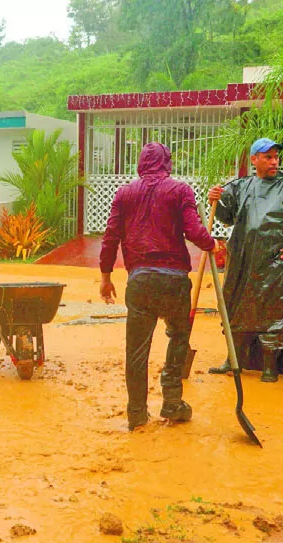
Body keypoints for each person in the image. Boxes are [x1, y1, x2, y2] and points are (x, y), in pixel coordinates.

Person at [99, 142, 216, 432]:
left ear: (141, 163)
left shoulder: (124, 194)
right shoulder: (180, 190)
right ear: (167, 163)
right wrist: (213, 244)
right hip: (174, 280)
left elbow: (110, 237)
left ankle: (137, 414)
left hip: (140, 282)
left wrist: (105, 276)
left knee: (136, 351)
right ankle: (172, 402)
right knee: (178, 336)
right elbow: (194, 231)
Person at [208, 138, 283, 382]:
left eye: (276, 157)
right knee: (235, 305)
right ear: (254, 160)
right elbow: (226, 217)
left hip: (275, 261)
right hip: (242, 260)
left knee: (274, 309)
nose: (274, 161)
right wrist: (215, 201)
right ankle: (233, 361)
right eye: (268, 157)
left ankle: (269, 366)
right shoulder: (240, 187)